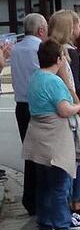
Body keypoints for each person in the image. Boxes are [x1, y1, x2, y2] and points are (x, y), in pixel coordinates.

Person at [23, 39, 80, 230]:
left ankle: (44, 224)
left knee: (44, 184)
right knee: (59, 184)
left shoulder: (36, 77)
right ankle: (61, 227)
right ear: (57, 59)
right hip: (55, 136)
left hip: (37, 135)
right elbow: (64, 110)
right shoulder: (54, 81)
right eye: (63, 57)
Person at [11, 13, 48, 215]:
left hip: (21, 105)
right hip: (38, 105)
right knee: (42, 154)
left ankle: (30, 197)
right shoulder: (39, 48)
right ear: (41, 30)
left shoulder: (16, 48)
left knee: (30, 152)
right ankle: (38, 199)